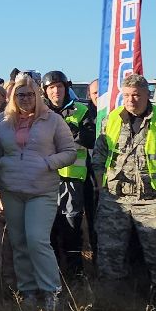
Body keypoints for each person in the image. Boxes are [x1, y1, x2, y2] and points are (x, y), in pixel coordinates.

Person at [91, 73, 156, 311]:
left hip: (150, 199)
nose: (131, 100)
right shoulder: (112, 119)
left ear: (147, 95)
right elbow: (99, 155)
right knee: (109, 255)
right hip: (115, 199)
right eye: (126, 95)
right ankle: (113, 309)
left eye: (136, 95)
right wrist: (102, 186)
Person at [0, 73, 79, 311]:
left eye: (31, 94)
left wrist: (48, 163)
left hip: (42, 190)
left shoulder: (52, 120)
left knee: (37, 239)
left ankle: (52, 291)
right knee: (19, 241)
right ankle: (27, 290)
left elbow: (70, 151)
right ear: (13, 97)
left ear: (38, 96)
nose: (26, 99)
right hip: (11, 190)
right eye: (21, 94)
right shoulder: (5, 123)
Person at [42, 70, 96, 283]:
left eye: (60, 87)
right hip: (46, 179)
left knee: (72, 226)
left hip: (72, 179)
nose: (56, 91)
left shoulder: (81, 110)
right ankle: (53, 270)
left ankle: (76, 272)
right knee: (49, 226)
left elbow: (90, 138)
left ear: (66, 88)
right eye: (52, 87)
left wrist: (65, 131)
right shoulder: (40, 112)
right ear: (45, 91)